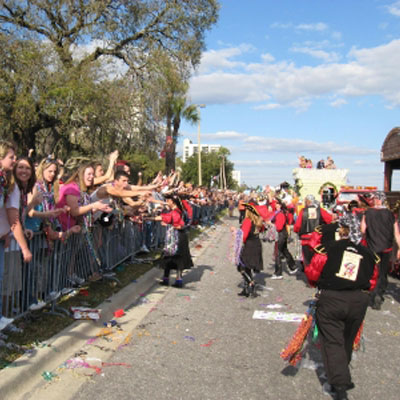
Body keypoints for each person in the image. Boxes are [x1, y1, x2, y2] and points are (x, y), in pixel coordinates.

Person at [305, 222, 379, 400]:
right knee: (347, 338)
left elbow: (313, 273)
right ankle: (341, 370)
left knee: (332, 340)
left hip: (332, 298)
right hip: (358, 300)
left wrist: (318, 284)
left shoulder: (326, 250)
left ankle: (339, 383)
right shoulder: (367, 254)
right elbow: (373, 279)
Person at [360, 191, 394, 310]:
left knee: (372, 271)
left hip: (372, 248)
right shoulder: (390, 214)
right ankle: (379, 294)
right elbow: (397, 233)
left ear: (376, 200)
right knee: (383, 273)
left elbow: (363, 230)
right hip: (386, 248)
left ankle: (372, 293)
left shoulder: (368, 213)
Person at [155, 194, 193, 288]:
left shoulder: (176, 212)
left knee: (174, 257)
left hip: (176, 237)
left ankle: (176, 280)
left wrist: (147, 218)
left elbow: (167, 218)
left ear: (172, 201)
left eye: (168, 200)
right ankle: (168, 279)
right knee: (171, 256)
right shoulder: (181, 210)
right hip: (179, 235)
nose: (166, 202)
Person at [294, 194, 332, 269]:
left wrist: (297, 231)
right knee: (317, 257)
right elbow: (329, 220)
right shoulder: (320, 210)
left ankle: (309, 274)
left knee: (307, 259)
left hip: (306, 239)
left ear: (308, 202)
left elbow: (297, 226)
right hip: (317, 238)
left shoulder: (303, 211)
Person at [237, 203, 264, 297]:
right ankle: (246, 289)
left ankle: (251, 283)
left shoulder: (247, 221)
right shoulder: (258, 220)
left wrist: (235, 232)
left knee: (242, 266)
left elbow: (243, 236)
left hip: (249, 245)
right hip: (256, 244)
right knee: (247, 267)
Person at [271, 201, 297, 279]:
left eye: (278, 205)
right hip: (283, 234)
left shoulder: (280, 214)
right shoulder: (283, 213)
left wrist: (271, 224)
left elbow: (278, 227)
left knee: (278, 253)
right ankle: (293, 266)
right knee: (284, 251)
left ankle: (278, 273)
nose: (276, 206)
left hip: (280, 235)